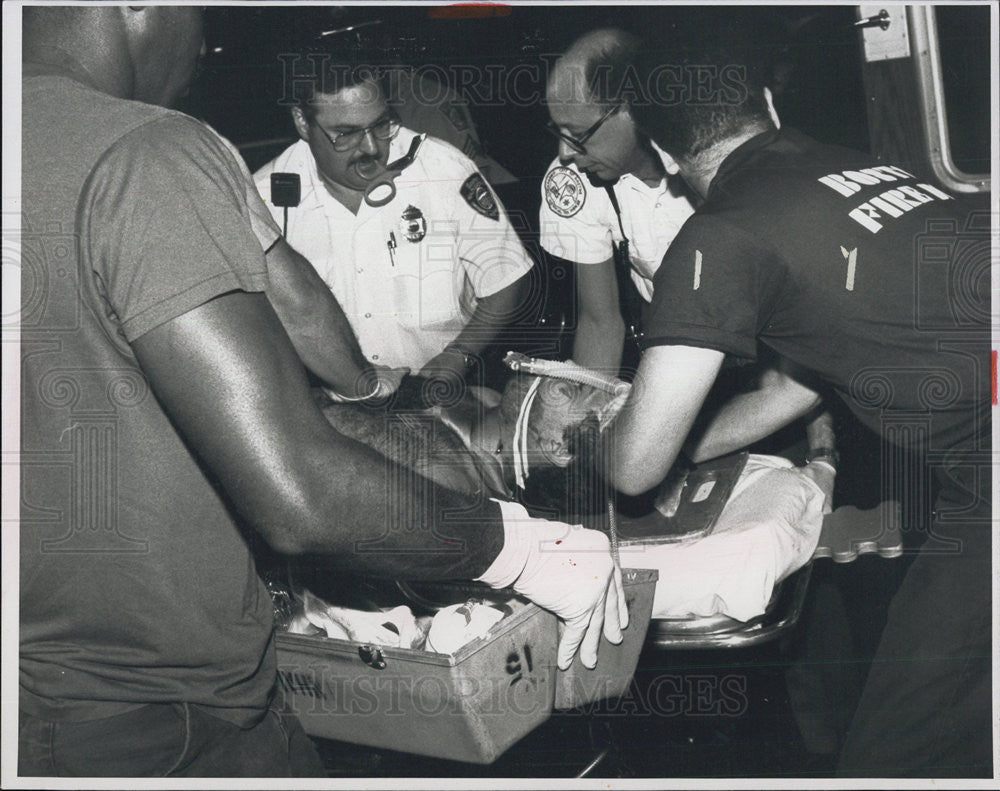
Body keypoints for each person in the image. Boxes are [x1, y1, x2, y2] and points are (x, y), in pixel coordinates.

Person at [18, 6, 624, 777]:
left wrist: (381, 389)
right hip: (164, 703)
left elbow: (297, 306)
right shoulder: (147, 149)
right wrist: (522, 549)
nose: (203, 43)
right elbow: (296, 491)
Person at [607, 31, 991, 777]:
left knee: (901, 752)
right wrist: (691, 443)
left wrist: (596, 440)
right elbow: (796, 385)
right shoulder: (858, 162)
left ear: (661, 156)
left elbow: (630, 465)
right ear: (770, 103)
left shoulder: (716, 235)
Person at [253, 51, 534, 381]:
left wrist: (459, 355)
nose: (371, 147)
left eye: (380, 124)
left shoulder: (442, 168)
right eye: (347, 133)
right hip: (330, 403)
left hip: (437, 392)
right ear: (302, 121)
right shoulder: (265, 201)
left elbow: (507, 278)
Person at [540, 28, 697, 372]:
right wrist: (583, 421)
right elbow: (600, 322)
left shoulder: (707, 158)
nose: (565, 152)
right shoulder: (571, 180)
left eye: (579, 135)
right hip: (671, 349)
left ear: (633, 110)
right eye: (559, 131)